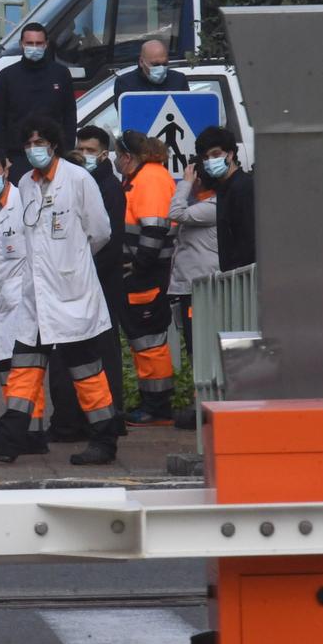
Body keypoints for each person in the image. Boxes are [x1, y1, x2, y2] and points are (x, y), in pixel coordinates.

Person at [0, 117, 121, 466]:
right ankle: (7, 440)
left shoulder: (78, 180)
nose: (35, 149)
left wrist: (73, 262)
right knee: (24, 367)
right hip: (35, 296)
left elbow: (100, 232)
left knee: (86, 371)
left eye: (40, 142)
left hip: (71, 292)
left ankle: (105, 439)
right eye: (29, 143)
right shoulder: (25, 185)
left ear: (54, 145)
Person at [49, 126, 127, 442]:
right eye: (80, 148)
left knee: (98, 355)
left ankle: (102, 419)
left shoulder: (104, 187)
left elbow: (104, 236)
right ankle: (82, 420)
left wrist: (80, 267)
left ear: (104, 154)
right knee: (84, 356)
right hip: (83, 281)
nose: (83, 154)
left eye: (90, 149)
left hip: (98, 283)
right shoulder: (86, 182)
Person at [0, 147, 47, 454]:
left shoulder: (25, 203)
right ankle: (21, 429)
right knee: (5, 368)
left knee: (24, 372)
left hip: (25, 300)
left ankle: (33, 432)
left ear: (6, 168)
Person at [115, 129, 178, 424]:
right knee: (144, 339)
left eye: (117, 155)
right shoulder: (143, 176)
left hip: (146, 274)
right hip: (143, 272)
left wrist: (139, 265)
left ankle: (157, 405)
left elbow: (154, 228)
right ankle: (152, 401)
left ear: (128, 157)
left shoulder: (149, 179)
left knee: (149, 340)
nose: (116, 160)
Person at [0, 22, 77, 180]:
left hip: (53, 153)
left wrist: (67, 149)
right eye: (30, 43)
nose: (34, 47)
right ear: (21, 44)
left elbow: (70, 113)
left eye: (38, 43)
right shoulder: (6, 76)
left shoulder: (61, 73)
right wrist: (3, 156)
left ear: (46, 44)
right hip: (18, 156)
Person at [168, 130, 224, 350]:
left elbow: (176, 213)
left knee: (200, 346)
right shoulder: (201, 206)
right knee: (193, 345)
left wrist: (184, 184)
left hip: (201, 288)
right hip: (191, 287)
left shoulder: (211, 207)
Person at [213, 129, 256, 270]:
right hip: (235, 277)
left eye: (216, 154)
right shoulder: (224, 188)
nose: (210, 161)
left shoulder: (243, 187)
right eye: (206, 158)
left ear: (230, 155)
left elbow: (249, 236)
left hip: (245, 276)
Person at [111, 36, 191, 98]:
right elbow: (127, 115)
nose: (161, 68)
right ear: (141, 62)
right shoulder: (125, 83)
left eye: (164, 64)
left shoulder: (179, 80)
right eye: (155, 64)